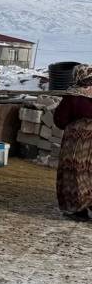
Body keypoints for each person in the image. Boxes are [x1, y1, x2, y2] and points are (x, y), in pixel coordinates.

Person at [55, 64, 92, 220]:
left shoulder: (72, 96)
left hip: (77, 143)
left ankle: (77, 209)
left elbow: (60, 119)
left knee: (76, 172)